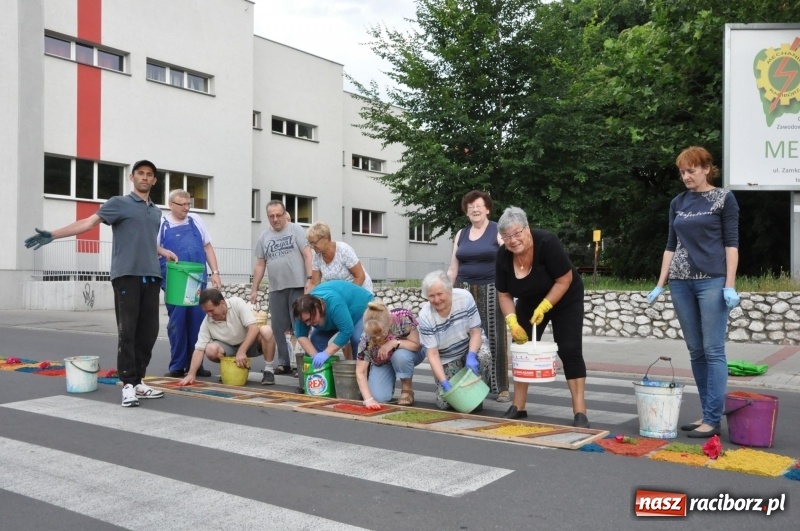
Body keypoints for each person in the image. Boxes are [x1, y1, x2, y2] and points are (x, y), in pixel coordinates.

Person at [25, 160, 167, 407]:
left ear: (154, 180)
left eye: (149, 175)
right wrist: (54, 234)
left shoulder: (155, 211)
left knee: (149, 333)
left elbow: (144, 240)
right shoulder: (118, 204)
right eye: (140, 174)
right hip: (126, 276)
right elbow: (89, 223)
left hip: (152, 277)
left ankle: (140, 381)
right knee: (128, 332)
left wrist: (163, 251)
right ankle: (129, 386)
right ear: (132, 178)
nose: (145, 178)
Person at [647, 146, 740, 439]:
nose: (686, 176)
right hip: (681, 282)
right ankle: (707, 414)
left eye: (691, 170)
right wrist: (660, 284)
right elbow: (670, 245)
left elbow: (731, 244)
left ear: (706, 169)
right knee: (696, 351)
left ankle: (713, 419)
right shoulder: (678, 202)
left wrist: (730, 284)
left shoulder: (724, 198)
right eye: (682, 172)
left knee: (713, 351)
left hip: (712, 280)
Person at [495, 206, 590, 427]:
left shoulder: (547, 242)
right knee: (521, 347)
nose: (513, 240)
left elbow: (564, 280)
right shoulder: (502, 256)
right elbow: (504, 294)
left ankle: (580, 410)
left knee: (569, 347)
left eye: (517, 233)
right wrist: (512, 322)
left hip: (565, 296)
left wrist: (546, 305)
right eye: (507, 236)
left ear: (527, 229)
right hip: (530, 299)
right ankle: (519, 406)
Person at [446, 190, 509, 402]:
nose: (474, 209)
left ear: (487, 209)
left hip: (492, 289)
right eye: (470, 207)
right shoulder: (461, 234)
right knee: (466, 338)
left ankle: (500, 387)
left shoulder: (497, 231)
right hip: (464, 291)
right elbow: (454, 267)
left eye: (479, 206)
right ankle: (471, 385)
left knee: (494, 337)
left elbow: (509, 258)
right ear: (466, 211)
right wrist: (448, 290)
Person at [158, 189, 222, 378]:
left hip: (196, 281)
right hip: (175, 282)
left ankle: (196, 364)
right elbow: (155, 250)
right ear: (171, 205)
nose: (186, 208)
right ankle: (177, 365)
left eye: (188, 204)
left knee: (198, 322)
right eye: (182, 205)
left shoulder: (196, 220)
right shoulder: (161, 224)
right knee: (177, 323)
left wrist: (215, 273)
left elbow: (207, 247)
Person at [251, 200, 313, 382]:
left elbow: (308, 255)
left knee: (298, 325)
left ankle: (298, 363)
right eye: (271, 216)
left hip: (297, 285)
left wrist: (310, 280)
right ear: (268, 216)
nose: (275, 219)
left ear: (284, 214)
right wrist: (254, 288)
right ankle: (284, 362)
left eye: (278, 215)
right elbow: (260, 264)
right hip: (276, 287)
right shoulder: (264, 236)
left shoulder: (296, 229)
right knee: (278, 327)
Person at [416, 270, 492, 410]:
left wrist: (471, 355)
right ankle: (448, 386)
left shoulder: (465, 298)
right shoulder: (425, 316)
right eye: (431, 296)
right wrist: (444, 382)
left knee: (484, 356)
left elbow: (475, 332)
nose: (436, 300)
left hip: (469, 346)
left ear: (449, 290)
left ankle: (477, 393)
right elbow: (432, 354)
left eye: (440, 294)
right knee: (445, 403)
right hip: (447, 357)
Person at [179, 288, 277, 386]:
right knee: (210, 349)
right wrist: (191, 374)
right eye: (206, 312)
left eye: (211, 310)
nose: (209, 314)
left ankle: (268, 370)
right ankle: (230, 368)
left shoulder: (237, 303)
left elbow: (253, 328)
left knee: (266, 330)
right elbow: (199, 350)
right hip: (229, 349)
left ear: (222, 303)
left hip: (250, 343)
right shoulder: (207, 322)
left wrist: (242, 351)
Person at [356, 300, 425, 408]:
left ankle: (407, 389)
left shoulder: (402, 317)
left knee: (400, 356)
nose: (378, 338)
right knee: (379, 398)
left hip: (408, 354)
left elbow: (417, 345)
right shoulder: (365, 336)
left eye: (381, 333)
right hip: (383, 362)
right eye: (373, 336)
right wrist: (368, 399)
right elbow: (361, 371)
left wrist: (393, 343)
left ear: (389, 322)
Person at [292, 280, 374, 367]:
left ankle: (360, 373)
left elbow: (347, 331)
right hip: (337, 314)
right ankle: (323, 375)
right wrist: (315, 356)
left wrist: (326, 354)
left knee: (358, 339)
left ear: (317, 307)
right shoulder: (302, 310)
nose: (308, 324)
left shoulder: (334, 303)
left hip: (361, 307)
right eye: (305, 321)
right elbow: (301, 335)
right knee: (317, 339)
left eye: (310, 319)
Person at [307, 221, 373, 293]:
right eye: (310, 243)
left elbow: (360, 276)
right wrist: (306, 300)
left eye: (314, 243)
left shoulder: (343, 250)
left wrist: (345, 295)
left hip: (360, 290)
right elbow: (314, 283)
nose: (311, 247)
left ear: (326, 239)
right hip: (340, 293)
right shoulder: (317, 256)